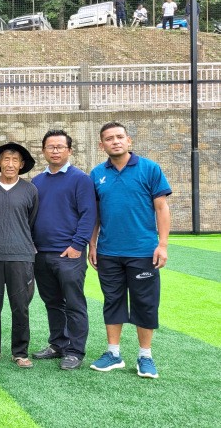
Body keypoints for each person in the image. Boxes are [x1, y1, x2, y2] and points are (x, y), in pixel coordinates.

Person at [88, 122, 171, 379]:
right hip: (108, 252)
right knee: (112, 301)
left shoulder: (150, 168)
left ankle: (145, 356)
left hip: (143, 251)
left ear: (129, 140)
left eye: (119, 137)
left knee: (145, 303)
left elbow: (161, 208)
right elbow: (95, 214)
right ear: (101, 145)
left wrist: (163, 245)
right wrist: (93, 244)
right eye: (109, 138)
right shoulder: (96, 174)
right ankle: (113, 353)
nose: (115, 141)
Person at [30, 130, 97, 371]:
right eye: (51, 147)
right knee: (52, 302)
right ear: (43, 151)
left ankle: (75, 351)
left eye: (60, 147)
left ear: (69, 150)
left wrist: (77, 245)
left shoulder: (81, 179)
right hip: (41, 253)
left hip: (69, 254)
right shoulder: (36, 182)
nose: (55, 151)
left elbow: (89, 214)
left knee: (74, 303)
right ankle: (58, 344)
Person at [0, 143, 38, 369]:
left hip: (21, 255)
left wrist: (21, 242)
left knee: (20, 306)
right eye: (6, 159)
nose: (10, 164)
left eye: (15, 160)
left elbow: (31, 221)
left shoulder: (30, 190)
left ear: (21, 164)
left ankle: (20, 352)